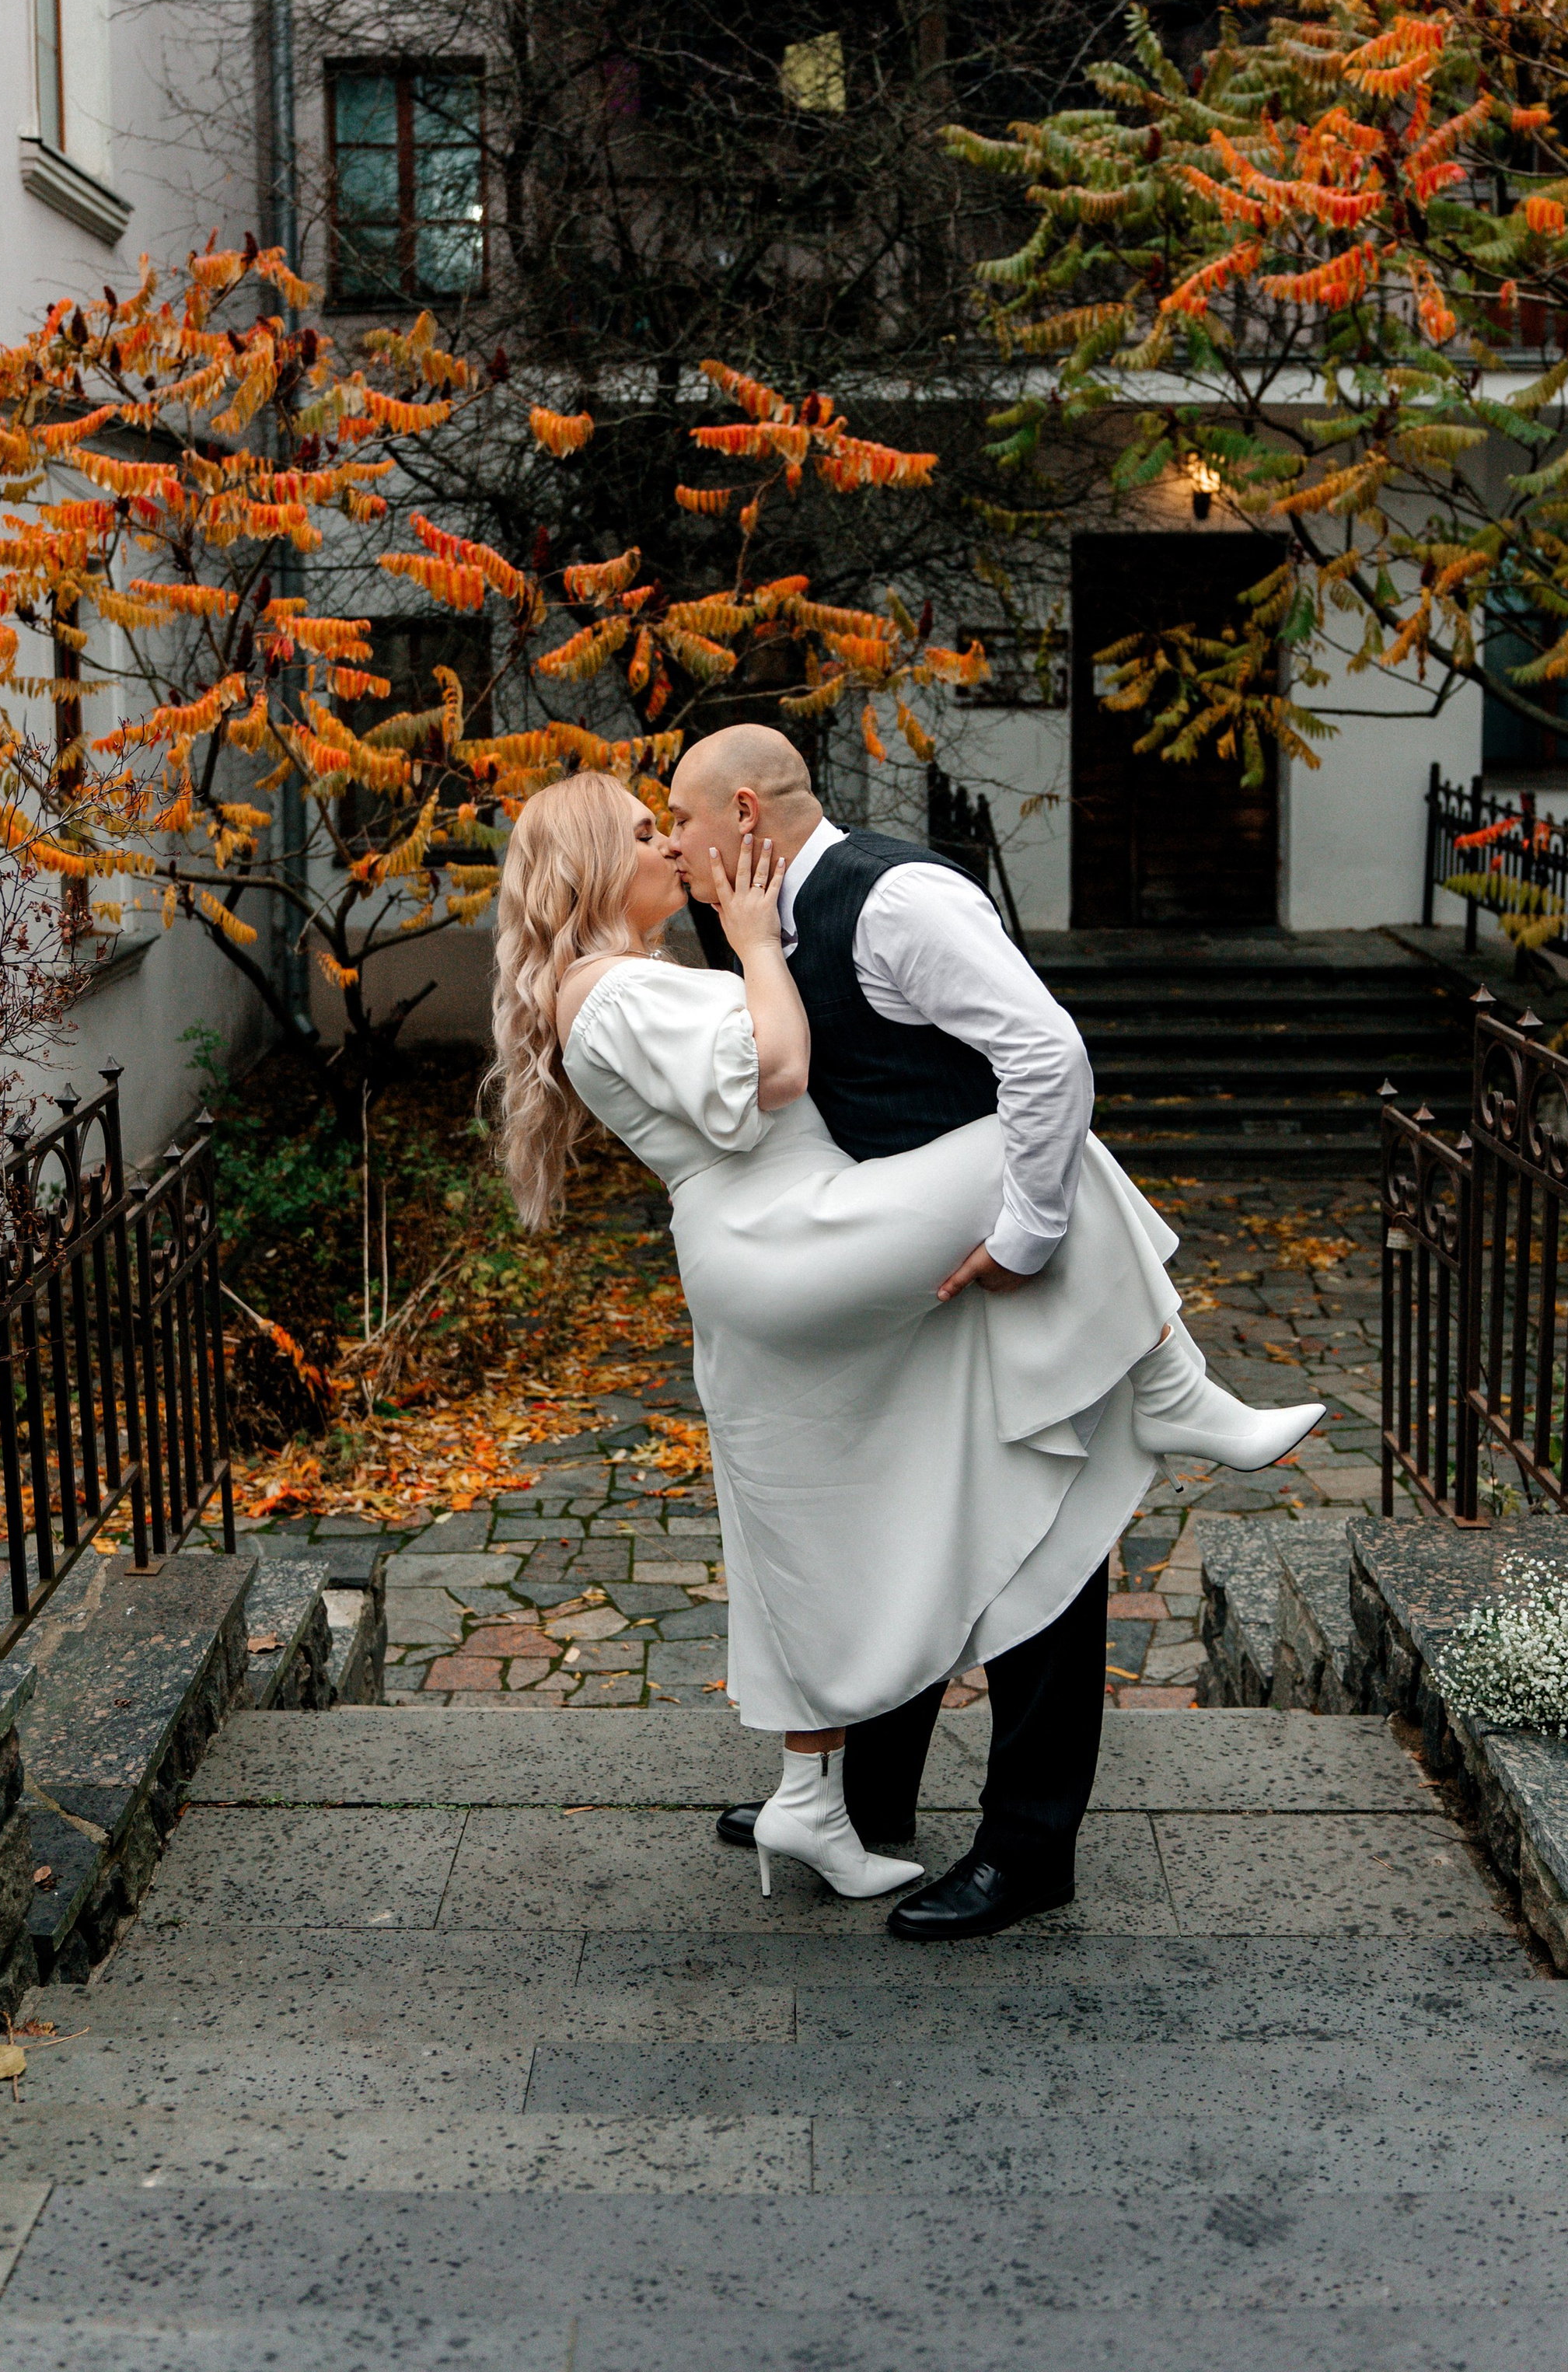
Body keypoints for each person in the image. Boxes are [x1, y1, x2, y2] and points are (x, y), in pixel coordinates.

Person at [488, 756, 1322, 1937]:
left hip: (796, 1239)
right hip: (794, 1238)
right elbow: (777, 1072)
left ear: (740, 814)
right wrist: (762, 943)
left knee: (839, 1506)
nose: (669, 845)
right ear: (588, 864)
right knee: (1039, 1154)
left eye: (670, 820)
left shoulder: (853, 910)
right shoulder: (629, 985)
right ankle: (1175, 1385)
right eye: (643, 831)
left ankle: (826, 1797)